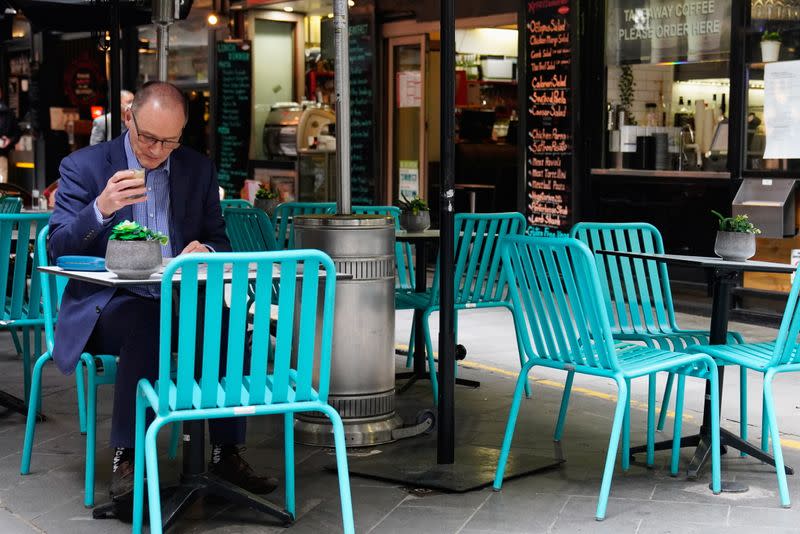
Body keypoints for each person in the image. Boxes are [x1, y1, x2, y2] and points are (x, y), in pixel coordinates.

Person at [48, 82, 274, 502]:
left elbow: (219, 240)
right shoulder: (85, 166)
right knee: (146, 323)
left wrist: (203, 249)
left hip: (178, 300)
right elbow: (58, 247)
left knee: (227, 327)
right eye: (148, 137)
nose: (155, 151)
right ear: (129, 116)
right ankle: (129, 456)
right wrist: (102, 207)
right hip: (107, 307)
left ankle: (226, 450)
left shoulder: (197, 169)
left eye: (168, 142)